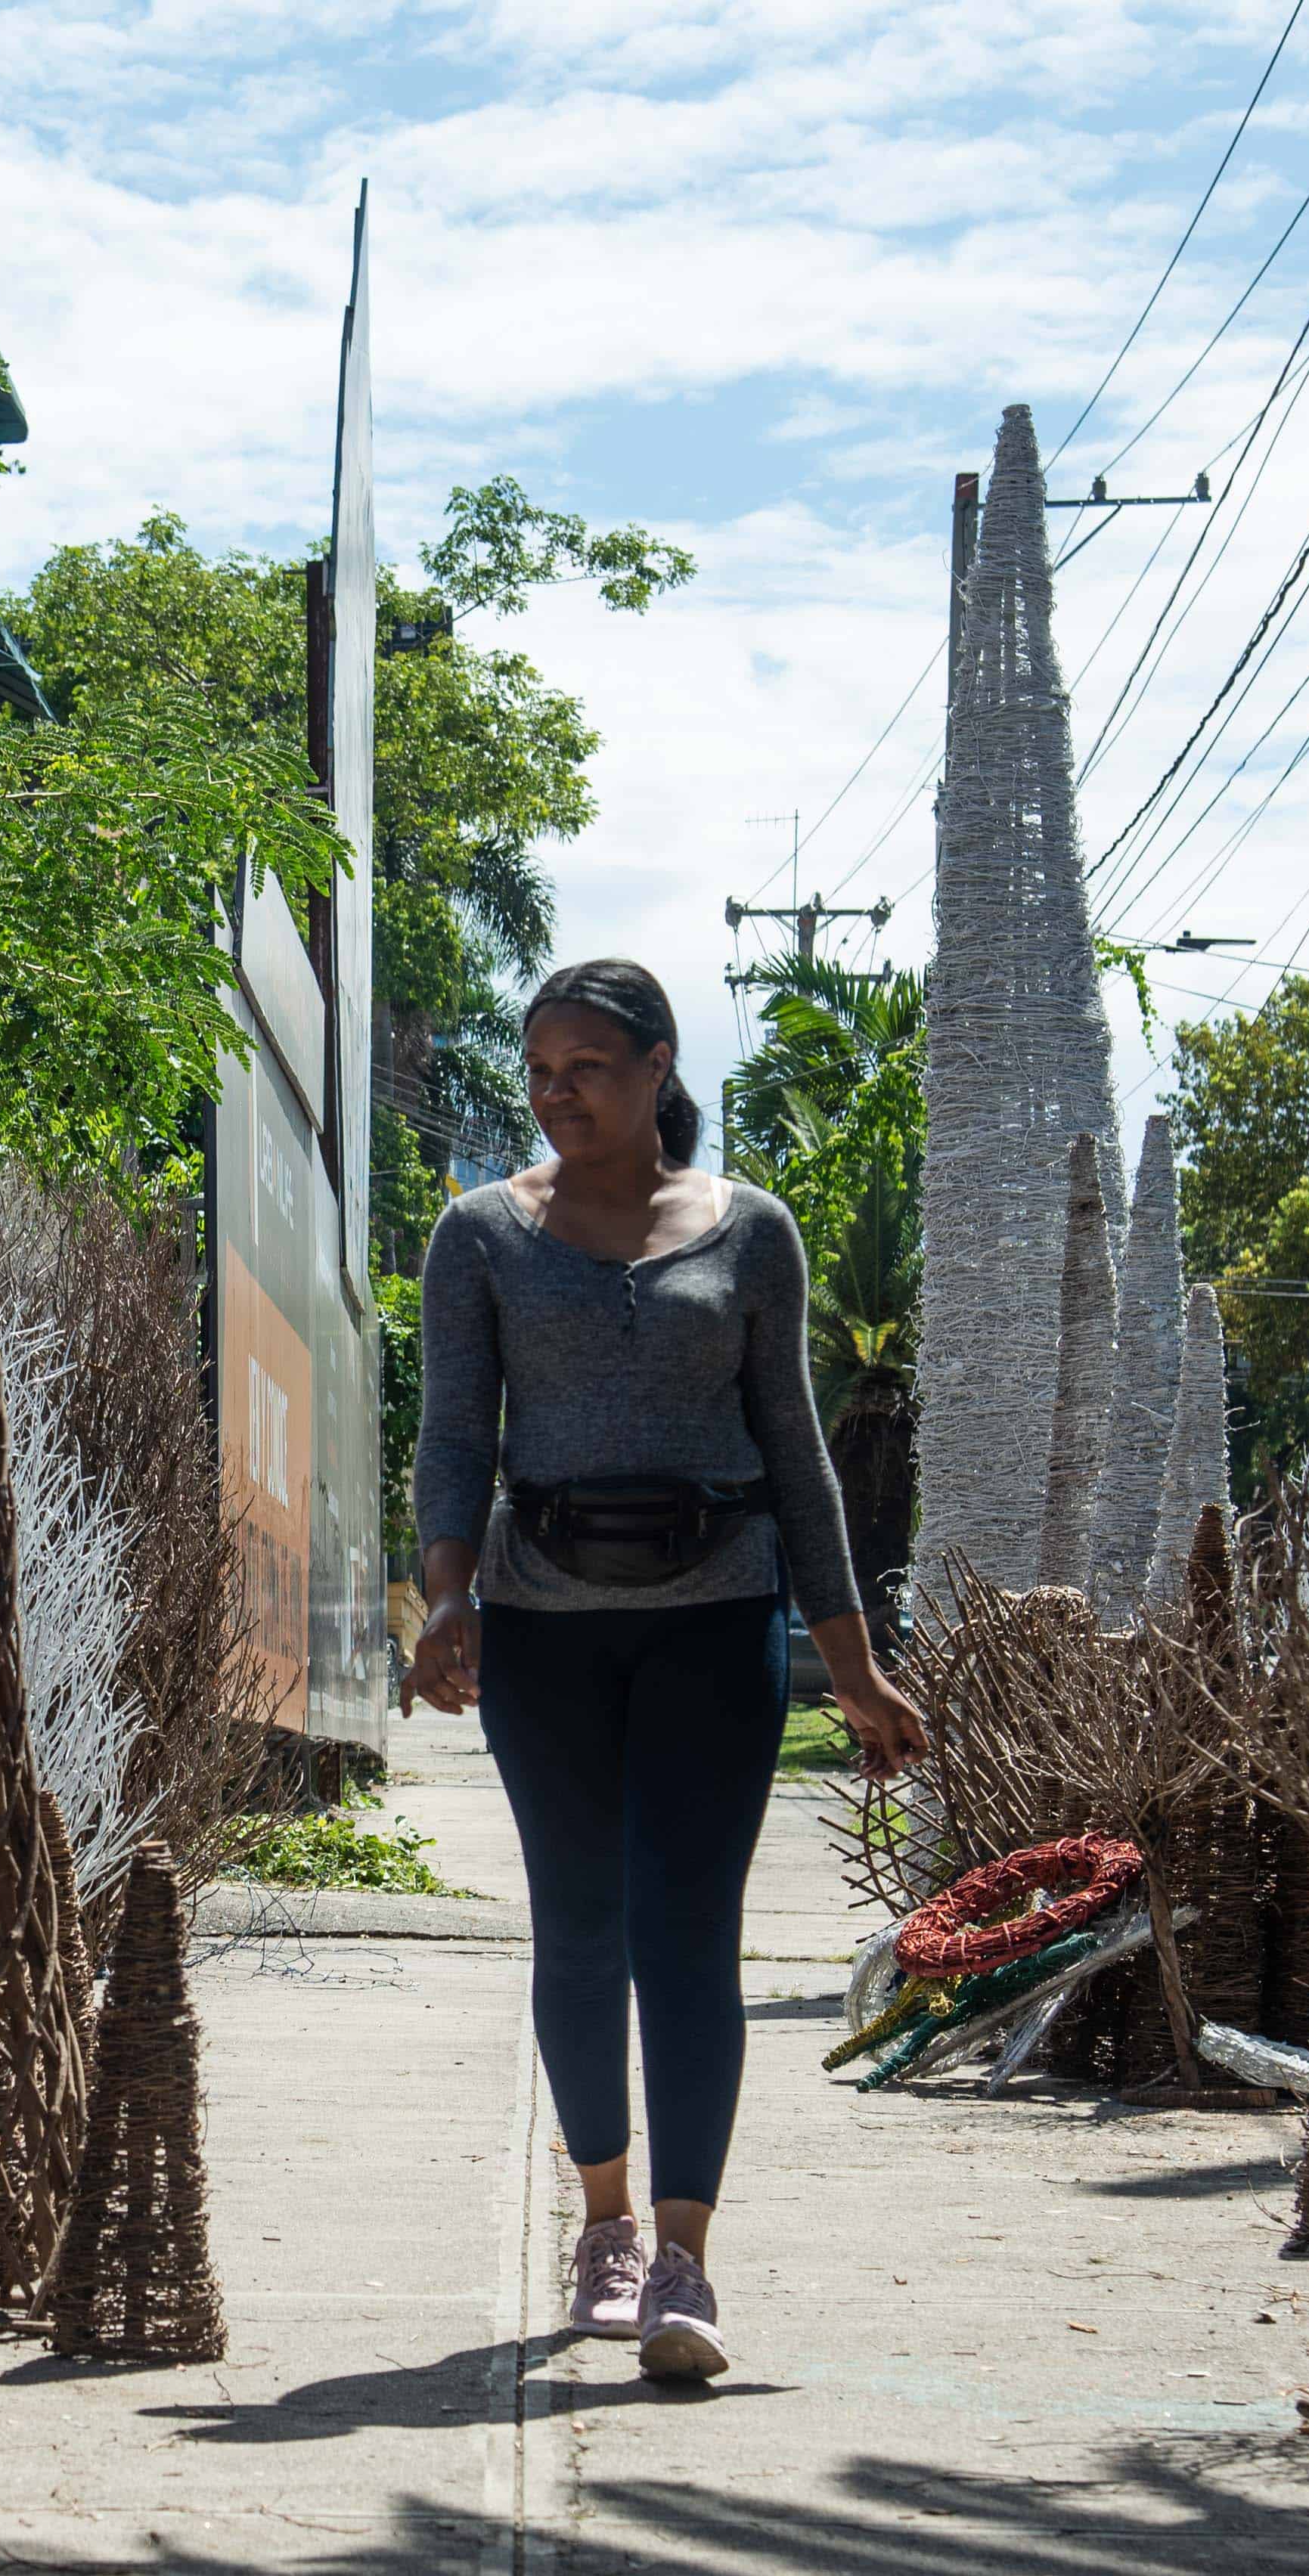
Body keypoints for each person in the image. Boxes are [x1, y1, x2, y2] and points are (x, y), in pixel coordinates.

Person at [405, 957, 929, 2382]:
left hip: (716, 1617)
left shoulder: (753, 1234)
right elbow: (456, 1439)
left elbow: (801, 1459)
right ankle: (608, 2226)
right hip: (544, 1628)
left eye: (584, 1063)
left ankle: (687, 2262)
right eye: (539, 1068)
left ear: (657, 1066)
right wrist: (445, 1599)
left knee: (686, 1930)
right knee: (580, 1923)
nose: (554, 1089)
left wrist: (855, 1666)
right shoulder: (481, 1237)